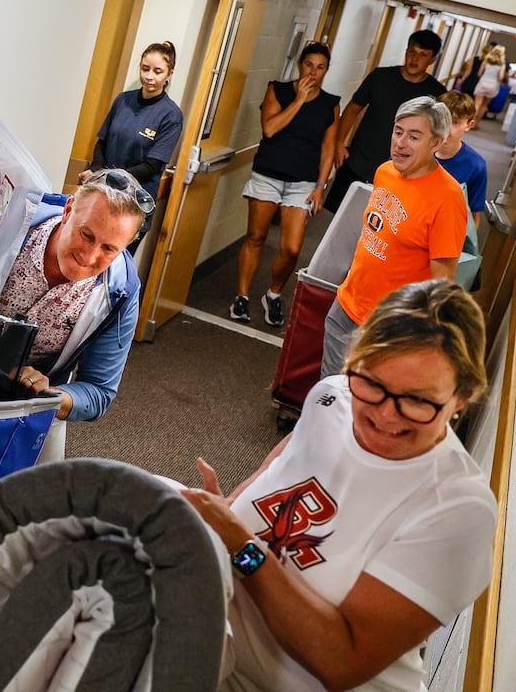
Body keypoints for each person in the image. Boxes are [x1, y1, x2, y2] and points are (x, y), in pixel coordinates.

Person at [182, 280, 497, 691]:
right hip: (217, 658)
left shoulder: (457, 510)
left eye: (418, 401)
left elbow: (340, 661)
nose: (386, 415)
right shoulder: (331, 397)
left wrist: (241, 546)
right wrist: (222, 512)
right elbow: (276, 467)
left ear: (462, 398)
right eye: (371, 382)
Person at [0, 170, 147, 463]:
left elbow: (98, 391)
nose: (90, 257)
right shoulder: (14, 224)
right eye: (86, 235)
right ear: (68, 211)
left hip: (22, 409)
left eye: (109, 249)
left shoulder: (121, 290)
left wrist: (50, 394)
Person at [320, 97, 468, 379]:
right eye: (398, 131)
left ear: (436, 143)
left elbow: (442, 282)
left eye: (414, 136)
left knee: (365, 409)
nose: (401, 142)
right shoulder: (385, 172)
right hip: (346, 305)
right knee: (331, 393)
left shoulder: (448, 200)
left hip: (388, 327)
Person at [229, 42, 340, 327]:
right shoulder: (277, 89)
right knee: (256, 237)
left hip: (303, 182)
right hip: (268, 174)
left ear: (327, 70)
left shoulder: (331, 104)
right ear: (299, 64)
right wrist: (299, 100)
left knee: (291, 248)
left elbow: (328, 148)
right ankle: (241, 297)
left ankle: (273, 294)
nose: (313, 73)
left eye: (320, 67)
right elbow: (270, 128)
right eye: (308, 65)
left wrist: (320, 185)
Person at [326, 30, 446, 212]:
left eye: (423, 55)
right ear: (406, 51)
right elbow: (352, 109)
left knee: (377, 226)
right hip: (357, 162)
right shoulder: (380, 77)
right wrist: (339, 143)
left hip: (399, 173)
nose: (415, 59)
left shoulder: (436, 93)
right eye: (412, 52)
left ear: (432, 60)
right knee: (337, 217)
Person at [80, 41, 184, 199]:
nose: (149, 76)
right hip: (103, 191)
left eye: (158, 71)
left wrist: (111, 179)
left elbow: (152, 166)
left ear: (169, 74)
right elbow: (102, 142)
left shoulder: (171, 115)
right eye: (145, 69)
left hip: (135, 197)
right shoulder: (123, 100)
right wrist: (96, 170)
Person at [435, 90, 489, 230]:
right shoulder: (416, 151)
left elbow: (474, 217)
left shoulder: (476, 166)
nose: (446, 129)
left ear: (469, 125)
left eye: (455, 122)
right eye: (443, 120)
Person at [471, 44, 508, 121]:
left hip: (483, 82)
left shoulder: (486, 60)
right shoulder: (502, 64)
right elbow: (501, 77)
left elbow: (479, 73)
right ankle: (476, 123)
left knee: (477, 103)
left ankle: (471, 121)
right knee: (484, 105)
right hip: (493, 85)